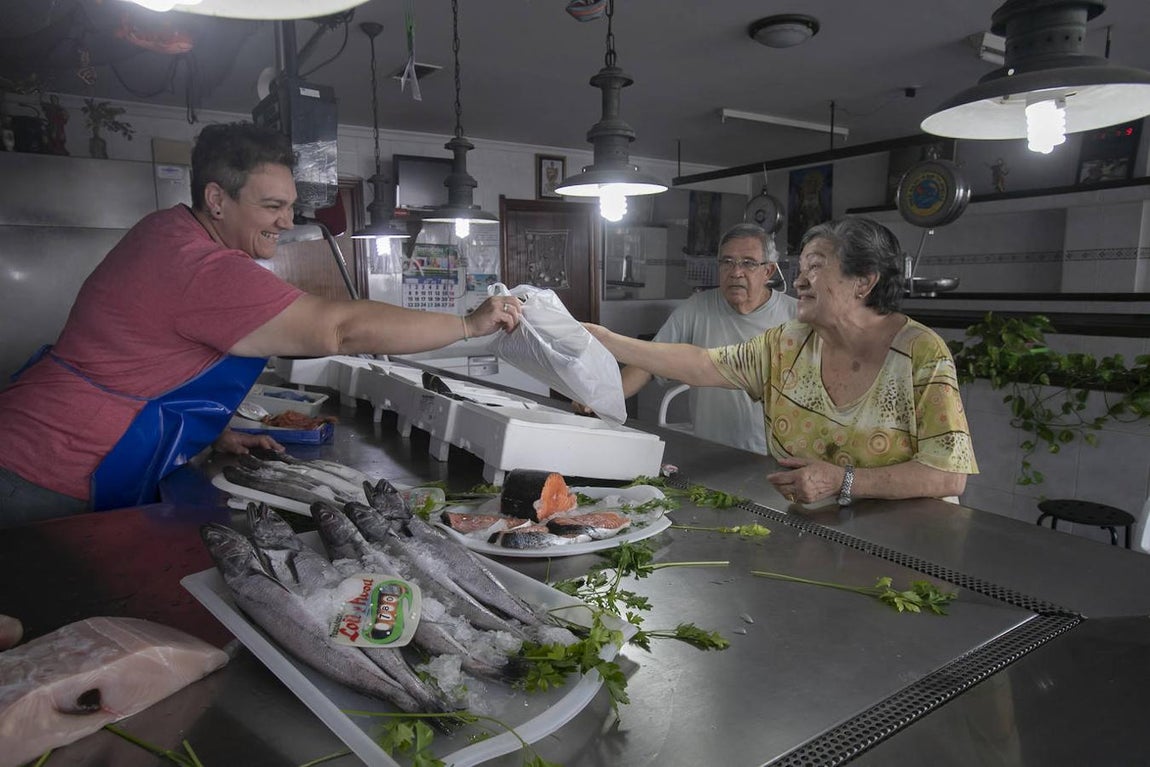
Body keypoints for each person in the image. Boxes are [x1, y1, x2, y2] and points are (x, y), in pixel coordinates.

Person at [0, 122, 521, 528]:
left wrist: (210, 428)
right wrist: (470, 325)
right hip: (45, 469)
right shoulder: (201, 266)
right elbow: (338, 329)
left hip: (44, 444)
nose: (287, 222)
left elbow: (141, 358)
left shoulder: (165, 231)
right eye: (271, 206)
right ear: (216, 199)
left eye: (291, 206)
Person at [585, 216, 978, 505]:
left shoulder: (919, 352)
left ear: (864, 281)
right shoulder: (788, 343)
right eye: (801, 268)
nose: (802, 280)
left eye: (817, 267)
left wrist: (842, 481)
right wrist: (605, 339)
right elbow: (702, 364)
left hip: (909, 539)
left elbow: (947, 474)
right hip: (821, 524)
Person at [612, 223, 797, 453]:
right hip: (709, 450)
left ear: (768, 271)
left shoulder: (797, 317)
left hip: (775, 455)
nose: (736, 272)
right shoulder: (696, 309)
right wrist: (604, 398)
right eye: (727, 262)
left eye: (748, 263)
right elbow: (649, 362)